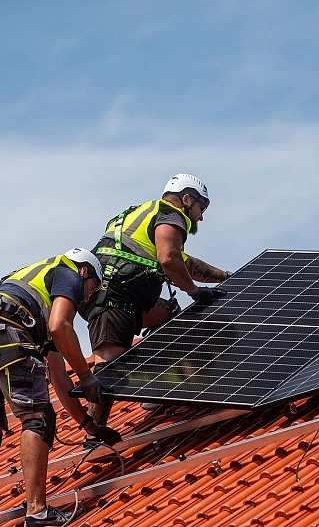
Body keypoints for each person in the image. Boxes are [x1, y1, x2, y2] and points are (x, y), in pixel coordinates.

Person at [0, 248, 122, 527]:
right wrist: (87, 376)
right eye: (92, 289)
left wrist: (88, 425)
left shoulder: (31, 295)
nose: (86, 299)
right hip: (5, 331)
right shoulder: (69, 270)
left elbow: (59, 379)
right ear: (86, 273)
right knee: (36, 418)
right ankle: (38, 512)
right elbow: (61, 326)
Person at [80, 174, 229, 424]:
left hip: (117, 297)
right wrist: (194, 292)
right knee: (107, 366)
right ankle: (95, 435)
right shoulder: (172, 215)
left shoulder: (143, 214)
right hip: (112, 300)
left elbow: (184, 263)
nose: (200, 217)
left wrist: (224, 276)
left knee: (170, 315)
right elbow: (169, 259)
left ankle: (156, 392)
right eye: (201, 208)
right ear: (186, 199)